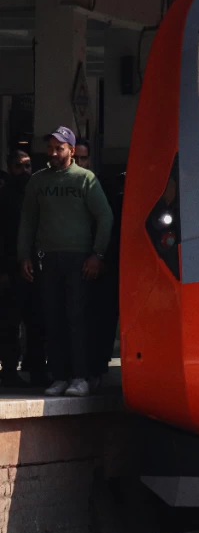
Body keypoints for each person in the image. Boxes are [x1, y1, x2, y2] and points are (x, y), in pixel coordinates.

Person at [17, 127, 113, 397]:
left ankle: (80, 377)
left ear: (71, 150)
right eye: (51, 148)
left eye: (59, 148)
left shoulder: (86, 179)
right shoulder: (37, 181)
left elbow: (105, 216)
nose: (54, 153)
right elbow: (27, 221)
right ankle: (58, 376)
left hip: (79, 258)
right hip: (46, 257)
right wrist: (23, 254)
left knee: (77, 317)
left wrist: (98, 254)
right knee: (53, 318)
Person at [74, 140, 123, 387]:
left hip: (101, 264)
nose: (79, 164)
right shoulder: (61, 185)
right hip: (72, 261)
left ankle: (97, 368)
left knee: (101, 317)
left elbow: (111, 224)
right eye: (76, 158)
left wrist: (101, 256)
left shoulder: (100, 186)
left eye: (83, 159)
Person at [0, 149, 38, 387]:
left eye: (27, 166)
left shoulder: (36, 195)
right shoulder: (4, 198)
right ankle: (10, 370)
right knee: (9, 323)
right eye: (18, 166)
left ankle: (36, 368)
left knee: (36, 322)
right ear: (10, 168)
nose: (24, 171)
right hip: (10, 271)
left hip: (36, 269)